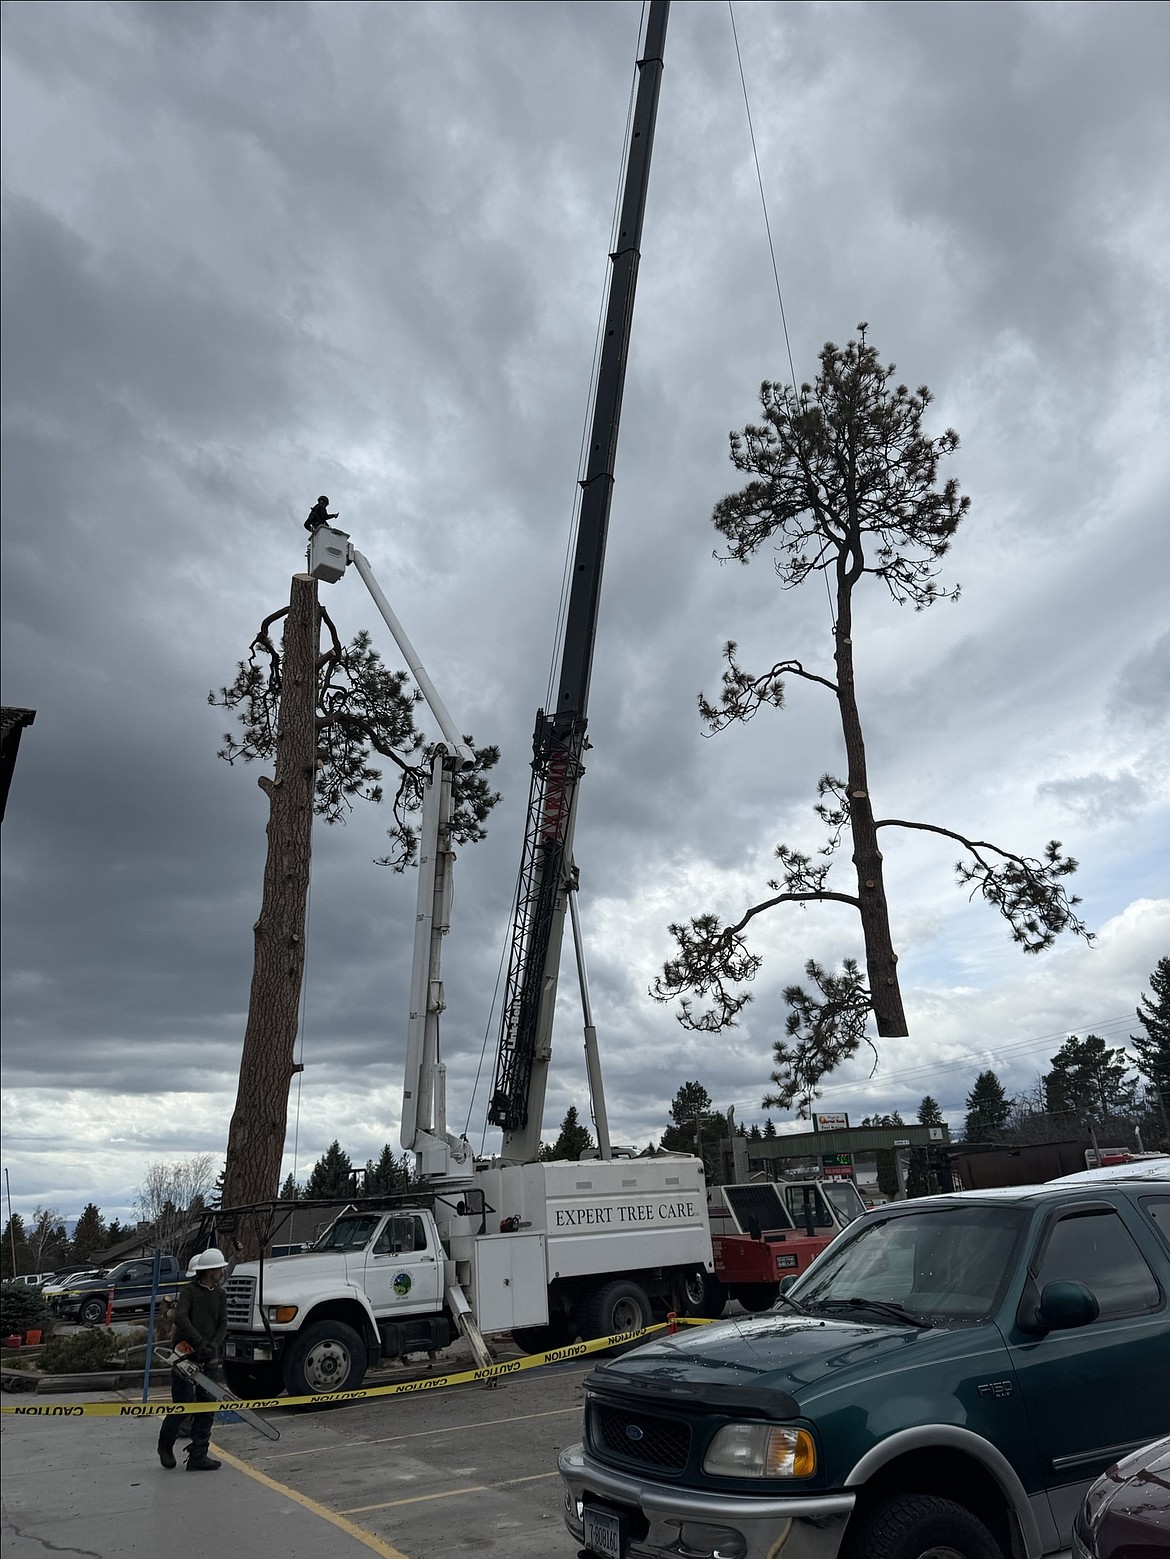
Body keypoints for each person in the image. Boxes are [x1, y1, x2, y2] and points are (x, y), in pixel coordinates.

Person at [157, 1247, 228, 1472]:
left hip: (208, 1355)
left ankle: (199, 1454)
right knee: (183, 1403)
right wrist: (199, 1342)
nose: (222, 1272)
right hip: (185, 1354)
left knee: (207, 1404)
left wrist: (213, 1345)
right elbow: (181, 1317)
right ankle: (165, 1447)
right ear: (210, 1271)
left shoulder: (220, 1295)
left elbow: (223, 1323)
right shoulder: (189, 1292)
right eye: (219, 1269)